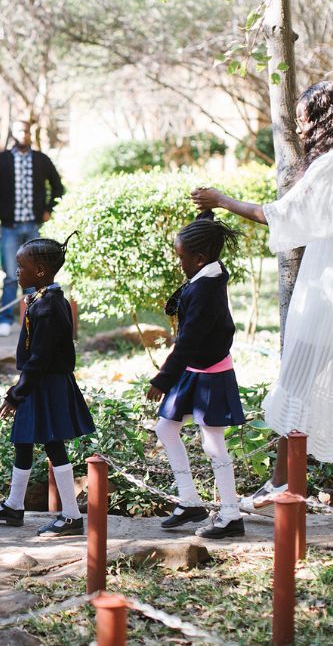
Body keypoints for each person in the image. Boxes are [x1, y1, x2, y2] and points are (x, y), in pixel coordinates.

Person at [192, 81, 333, 519]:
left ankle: (281, 486)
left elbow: (279, 215)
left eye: (304, 118)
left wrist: (221, 200)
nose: (300, 127)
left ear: (324, 118)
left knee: (298, 380)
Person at [0, 234, 95, 536]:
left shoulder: (48, 306)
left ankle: (71, 515)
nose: (17, 272)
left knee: (53, 444)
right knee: (23, 440)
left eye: (21, 266)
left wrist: (16, 394)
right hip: (39, 381)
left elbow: (40, 358)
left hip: (46, 383)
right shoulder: (45, 299)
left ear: (40, 271)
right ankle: (15, 505)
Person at [145, 211, 247, 539]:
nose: (180, 264)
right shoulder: (208, 273)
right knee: (165, 428)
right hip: (194, 370)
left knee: (213, 442)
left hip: (211, 373)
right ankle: (189, 500)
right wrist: (206, 215)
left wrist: (162, 380)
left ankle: (231, 514)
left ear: (200, 258)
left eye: (181, 258)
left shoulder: (206, 290)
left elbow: (188, 342)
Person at [0, 120, 65, 337]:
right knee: (11, 275)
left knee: (36, 275)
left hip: (34, 227)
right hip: (10, 228)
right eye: (20, 130)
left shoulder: (41, 159)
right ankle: (5, 320)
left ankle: (34, 318)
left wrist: (48, 209)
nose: (24, 134)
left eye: (27, 130)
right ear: (13, 133)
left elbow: (58, 186)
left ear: (31, 133)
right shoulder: (2, 160)